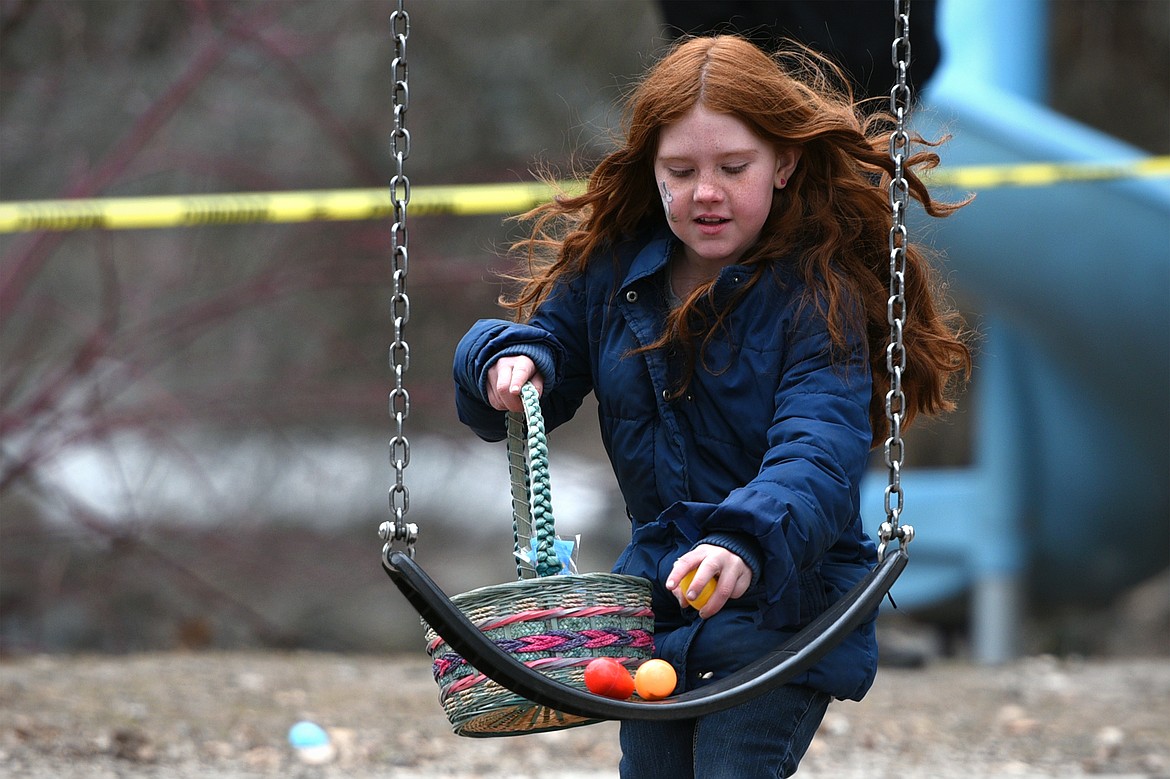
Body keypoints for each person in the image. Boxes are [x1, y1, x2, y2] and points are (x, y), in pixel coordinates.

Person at [452, 35, 970, 778]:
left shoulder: (817, 298)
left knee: (734, 765)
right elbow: (548, 349)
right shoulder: (615, 273)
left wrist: (743, 542)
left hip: (786, 608)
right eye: (681, 170)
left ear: (783, 163)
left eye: (734, 168)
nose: (706, 192)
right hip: (660, 603)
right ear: (652, 170)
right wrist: (505, 362)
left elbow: (818, 450)